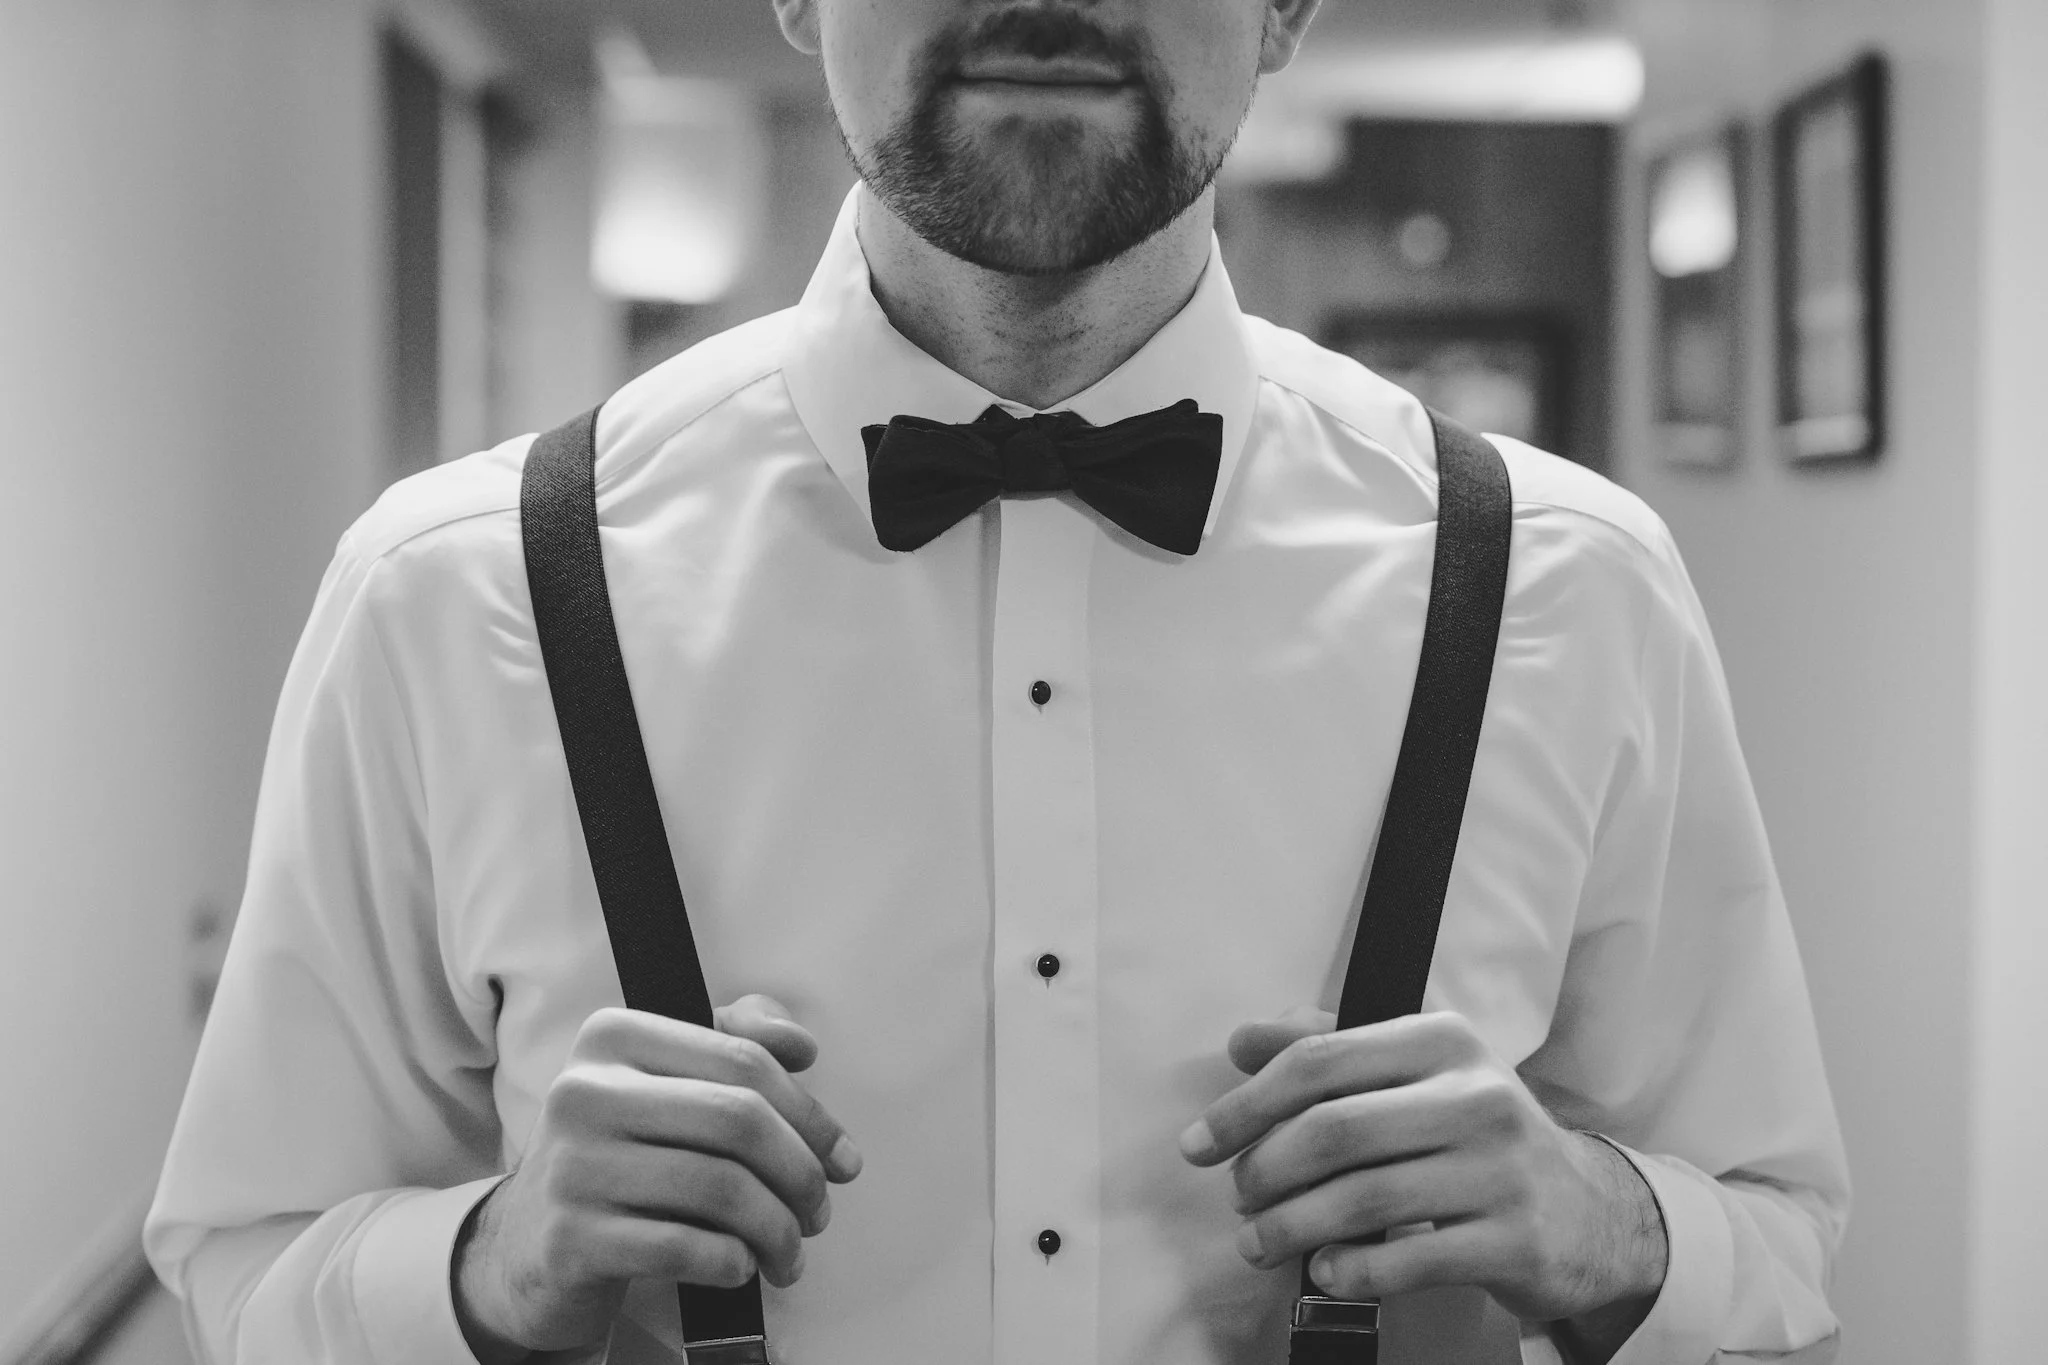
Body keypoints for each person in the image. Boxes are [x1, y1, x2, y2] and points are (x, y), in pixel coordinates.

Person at [143, 1, 1849, 1362]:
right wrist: (491, 1267)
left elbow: (1778, 1248)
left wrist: (1596, 1222)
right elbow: (244, 1266)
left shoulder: (1571, 584)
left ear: (1290, 6)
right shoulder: (453, 593)